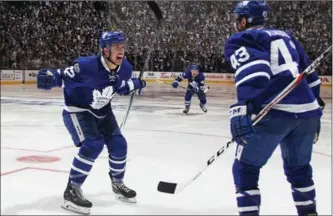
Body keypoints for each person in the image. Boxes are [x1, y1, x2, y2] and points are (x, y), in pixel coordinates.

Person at [224, 1, 325, 216]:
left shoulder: (242, 38)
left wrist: (243, 106)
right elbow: (311, 76)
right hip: (307, 112)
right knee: (299, 170)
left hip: (274, 112)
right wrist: (315, 109)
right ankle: (309, 213)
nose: (235, 23)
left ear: (244, 20)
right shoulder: (286, 36)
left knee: (245, 169)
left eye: (237, 18)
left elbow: (256, 72)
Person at [37, 31, 146, 215]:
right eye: (117, 47)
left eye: (123, 46)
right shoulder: (86, 66)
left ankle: (118, 184)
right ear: (105, 50)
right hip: (78, 111)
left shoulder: (125, 67)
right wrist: (49, 78)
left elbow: (118, 86)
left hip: (103, 111)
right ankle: (72, 190)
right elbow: (61, 75)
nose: (122, 50)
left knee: (119, 144)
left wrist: (134, 84)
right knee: (93, 144)